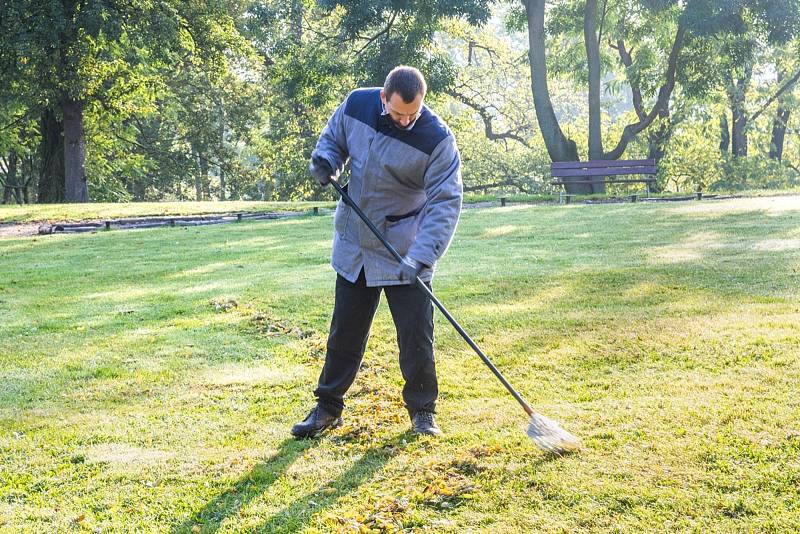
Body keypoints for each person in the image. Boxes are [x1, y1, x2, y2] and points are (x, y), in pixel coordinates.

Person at [291, 66, 463, 438]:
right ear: (383, 98)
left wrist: (422, 256)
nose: (405, 121)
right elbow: (334, 138)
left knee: (416, 336)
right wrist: (326, 161)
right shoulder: (357, 104)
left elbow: (445, 202)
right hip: (356, 243)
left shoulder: (437, 139)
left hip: (406, 251)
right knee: (344, 333)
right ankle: (327, 408)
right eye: (398, 113)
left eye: (412, 115)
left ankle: (422, 412)